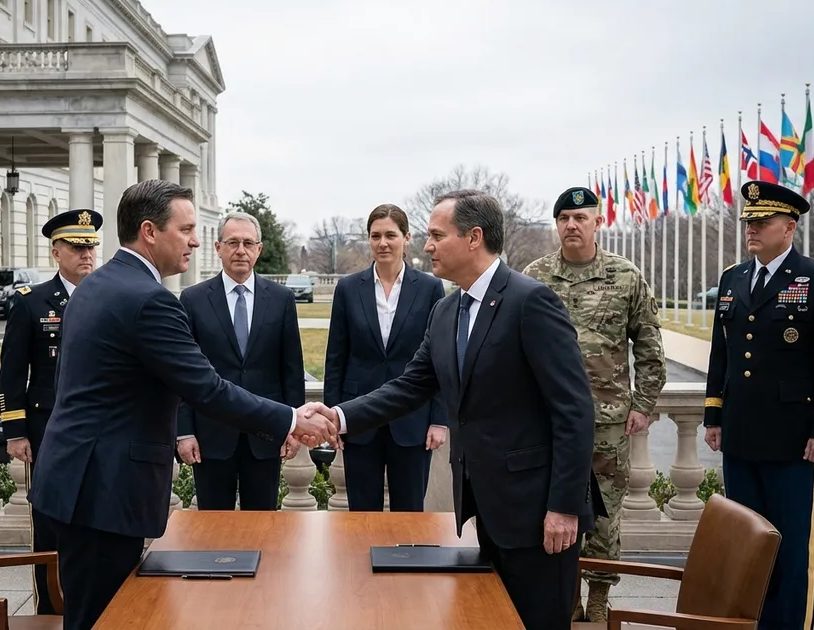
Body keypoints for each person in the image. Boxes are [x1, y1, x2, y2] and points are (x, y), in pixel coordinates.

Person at [28, 179, 337, 630]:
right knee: (105, 617)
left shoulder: (97, 285)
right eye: (187, 229)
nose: (195, 241)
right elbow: (207, 388)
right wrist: (291, 417)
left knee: (92, 614)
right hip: (104, 489)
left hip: (79, 481)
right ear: (150, 232)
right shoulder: (149, 300)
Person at [312, 189, 604, 629]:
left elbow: (575, 411)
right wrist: (339, 417)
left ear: (474, 238)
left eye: (436, 235)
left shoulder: (530, 301)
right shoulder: (447, 310)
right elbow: (410, 386)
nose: (427, 246)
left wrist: (564, 507)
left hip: (539, 511)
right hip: (486, 508)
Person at [703, 180, 814, 630]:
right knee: (747, 546)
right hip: (741, 437)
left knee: (792, 552)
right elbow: (722, 354)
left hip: (795, 442)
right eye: (748, 222)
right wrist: (714, 415)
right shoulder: (733, 278)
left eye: (762, 222)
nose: (751, 229)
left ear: (789, 227)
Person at [523, 186, 667, 622]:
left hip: (607, 422)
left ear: (597, 223)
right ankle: (565, 596)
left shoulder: (625, 276)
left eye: (581, 217)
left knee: (604, 514)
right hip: (546, 421)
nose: (572, 225)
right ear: (557, 224)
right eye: (564, 218)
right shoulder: (535, 276)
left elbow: (650, 346)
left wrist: (643, 404)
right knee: (553, 508)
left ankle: (600, 595)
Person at [0, 207, 100, 615]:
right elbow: (11, 373)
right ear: (56, 252)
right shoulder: (31, 302)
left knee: (95, 519)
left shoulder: (105, 297)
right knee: (48, 521)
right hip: (46, 430)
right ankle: (50, 610)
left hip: (97, 430)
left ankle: (91, 604)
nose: (86, 255)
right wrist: (15, 431)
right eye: (77, 247)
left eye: (90, 247)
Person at [175, 211, 306, 510]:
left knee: (263, 525)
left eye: (248, 243)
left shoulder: (282, 299)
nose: (241, 250)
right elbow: (182, 375)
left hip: (266, 434)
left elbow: (291, 371)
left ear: (259, 249)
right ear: (218, 247)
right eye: (233, 242)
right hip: (211, 435)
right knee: (212, 526)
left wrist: (293, 427)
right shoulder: (193, 300)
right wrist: (184, 431)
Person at [323, 203, 446, 512]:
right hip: (358, 419)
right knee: (362, 514)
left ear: (407, 238)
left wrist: (439, 420)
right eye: (375, 236)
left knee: (410, 513)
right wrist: (333, 418)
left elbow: (440, 360)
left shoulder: (430, 288)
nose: (383, 243)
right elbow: (336, 359)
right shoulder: (348, 288)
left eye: (391, 235)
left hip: (412, 419)